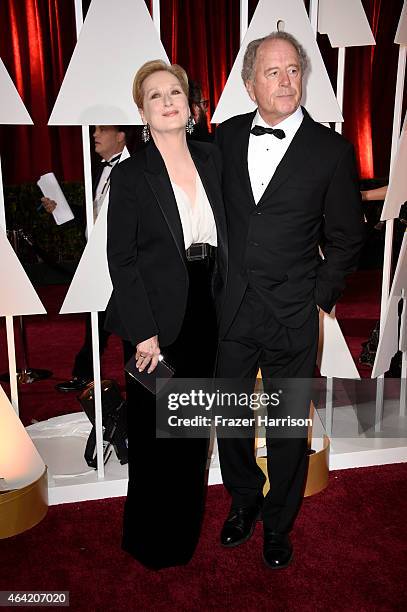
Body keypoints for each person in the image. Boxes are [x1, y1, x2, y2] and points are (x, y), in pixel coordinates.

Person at [214, 31, 365, 569]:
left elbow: (348, 236)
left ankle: (279, 523)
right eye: (272, 72)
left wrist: (318, 297)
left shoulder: (332, 150)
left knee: (284, 428)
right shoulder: (225, 137)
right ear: (249, 82)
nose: (285, 81)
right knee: (228, 422)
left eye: (293, 70)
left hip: (292, 313)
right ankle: (244, 502)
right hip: (231, 310)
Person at [105, 60, 227, 569]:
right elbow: (122, 257)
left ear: (190, 105)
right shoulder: (133, 173)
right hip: (155, 318)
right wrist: (143, 333)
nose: (167, 101)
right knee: (157, 434)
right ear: (143, 112)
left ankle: (182, 535)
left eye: (174, 91)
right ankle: (150, 539)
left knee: (192, 430)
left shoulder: (213, 159)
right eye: (155, 96)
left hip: (208, 304)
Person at [42, 125, 128, 391]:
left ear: (121, 135)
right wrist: (64, 209)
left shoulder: (136, 167)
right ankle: (83, 374)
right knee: (95, 322)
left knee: (132, 328)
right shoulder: (98, 170)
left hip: (124, 262)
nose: (95, 135)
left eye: (102, 130)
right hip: (98, 261)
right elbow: (96, 214)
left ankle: (144, 383)